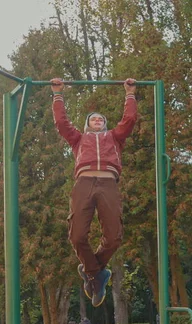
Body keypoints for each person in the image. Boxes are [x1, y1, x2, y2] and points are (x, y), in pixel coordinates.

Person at [50, 77, 138, 307]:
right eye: (93, 119)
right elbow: (61, 122)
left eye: (101, 119)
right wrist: (58, 93)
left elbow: (129, 120)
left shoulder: (114, 138)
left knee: (114, 236)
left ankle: (92, 273)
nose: (97, 120)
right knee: (77, 235)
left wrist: (130, 93)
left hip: (108, 182)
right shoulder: (79, 139)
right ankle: (96, 274)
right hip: (84, 182)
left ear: (105, 125)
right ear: (88, 124)